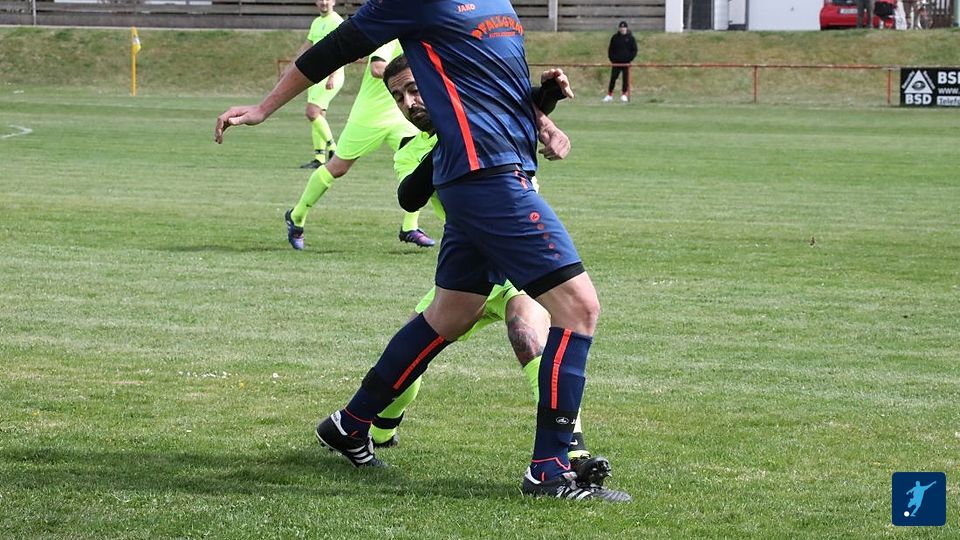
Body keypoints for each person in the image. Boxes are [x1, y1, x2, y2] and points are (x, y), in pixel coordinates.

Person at [215, 0, 625, 502]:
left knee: (449, 316)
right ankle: (551, 469)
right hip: (487, 176)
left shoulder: (500, 5)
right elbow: (338, 46)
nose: (408, 100)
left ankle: (350, 423)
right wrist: (264, 108)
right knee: (578, 308)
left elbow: (497, 85)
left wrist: (543, 118)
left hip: (491, 173)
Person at [372, 56, 621, 494]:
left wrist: (548, 94)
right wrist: (448, 143)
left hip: (518, 266)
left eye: (414, 89)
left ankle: (572, 452)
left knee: (533, 340)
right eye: (398, 97)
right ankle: (378, 429)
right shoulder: (413, 148)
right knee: (412, 355)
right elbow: (409, 196)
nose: (408, 103)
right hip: (464, 272)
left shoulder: (486, 118)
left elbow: (520, 104)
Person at [283, 40, 436, 250]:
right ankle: (297, 215)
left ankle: (410, 227)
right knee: (337, 167)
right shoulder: (392, 35)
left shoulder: (421, 36)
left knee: (418, 163)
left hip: (401, 114)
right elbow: (377, 67)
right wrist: (412, 77)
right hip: (370, 115)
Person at [296, 0, 345, 170]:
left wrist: (332, 76)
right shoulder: (317, 22)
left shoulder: (337, 21)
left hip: (330, 74)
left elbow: (341, 50)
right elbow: (307, 46)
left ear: (334, 1)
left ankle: (334, 149)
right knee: (319, 116)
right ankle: (319, 157)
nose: (324, 2)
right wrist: (291, 67)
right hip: (316, 74)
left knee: (311, 112)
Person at [604, 21, 637, 103]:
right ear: (619, 28)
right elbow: (610, 50)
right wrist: (612, 59)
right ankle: (609, 95)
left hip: (626, 63)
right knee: (613, 78)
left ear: (626, 28)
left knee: (625, 79)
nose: (622, 29)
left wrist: (629, 59)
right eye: (621, 27)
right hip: (616, 63)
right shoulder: (615, 38)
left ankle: (624, 94)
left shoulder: (631, 38)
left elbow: (634, 50)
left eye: (624, 27)